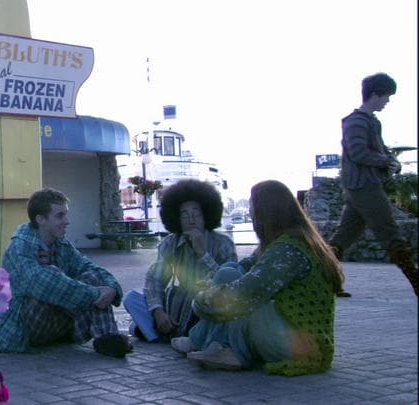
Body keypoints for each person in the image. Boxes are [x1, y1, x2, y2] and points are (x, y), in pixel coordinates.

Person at [171, 180, 344, 376]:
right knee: (229, 271)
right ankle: (209, 343)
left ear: (267, 212)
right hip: (294, 336)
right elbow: (243, 268)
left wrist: (201, 300)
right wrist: (215, 285)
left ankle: (224, 348)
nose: (251, 213)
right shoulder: (282, 243)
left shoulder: (288, 250)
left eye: (253, 207)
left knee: (241, 299)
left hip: (299, 345)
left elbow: (246, 292)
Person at [0, 188, 132, 357]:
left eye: (66, 214)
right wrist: (95, 295)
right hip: (22, 329)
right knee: (52, 276)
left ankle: (107, 338)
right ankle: (106, 337)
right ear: (41, 219)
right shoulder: (20, 247)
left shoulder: (61, 244)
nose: (67, 221)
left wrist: (112, 288)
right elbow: (42, 284)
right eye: (60, 216)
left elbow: (89, 267)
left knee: (91, 276)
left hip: (53, 323)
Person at [327, 72, 418, 297]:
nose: (388, 101)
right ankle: (416, 283)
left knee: (341, 240)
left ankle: (327, 283)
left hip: (360, 186)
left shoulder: (370, 122)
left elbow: (380, 150)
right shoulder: (357, 122)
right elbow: (358, 153)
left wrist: (391, 161)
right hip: (364, 186)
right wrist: (386, 161)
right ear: (376, 94)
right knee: (390, 232)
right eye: (386, 96)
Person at [123, 179, 237, 343]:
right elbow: (155, 279)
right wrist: (158, 312)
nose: (191, 220)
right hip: (175, 304)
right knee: (131, 299)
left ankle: (159, 333)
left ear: (206, 214)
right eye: (184, 214)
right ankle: (166, 330)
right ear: (176, 217)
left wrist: (202, 253)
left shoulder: (223, 243)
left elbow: (227, 284)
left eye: (196, 213)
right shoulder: (170, 243)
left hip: (207, 305)